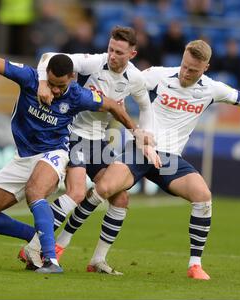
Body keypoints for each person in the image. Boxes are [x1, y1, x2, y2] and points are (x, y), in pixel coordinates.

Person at [53, 40, 240, 279]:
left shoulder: (212, 89)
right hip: (141, 149)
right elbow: (126, 83)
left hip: (169, 159)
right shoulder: (158, 75)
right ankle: (60, 244)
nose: (186, 72)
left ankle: (194, 265)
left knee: (203, 195)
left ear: (206, 68)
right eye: (185, 66)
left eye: (193, 70)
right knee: (105, 189)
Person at [0, 53, 151, 274]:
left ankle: (50, 260)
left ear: (72, 77)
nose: (56, 91)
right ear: (46, 74)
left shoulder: (78, 95)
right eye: (53, 84)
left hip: (54, 152)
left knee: (35, 192)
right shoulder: (29, 78)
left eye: (61, 85)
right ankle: (36, 236)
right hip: (23, 157)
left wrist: (137, 132)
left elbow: (113, 105)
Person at [18, 26, 159, 272]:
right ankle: (35, 245)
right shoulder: (93, 63)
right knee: (77, 192)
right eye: (111, 49)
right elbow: (48, 58)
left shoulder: (136, 79)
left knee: (121, 197)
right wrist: (42, 82)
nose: (113, 55)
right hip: (72, 134)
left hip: (99, 141)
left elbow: (146, 108)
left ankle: (97, 260)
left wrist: (144, 136)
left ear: (132, 55)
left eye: (119, 52)